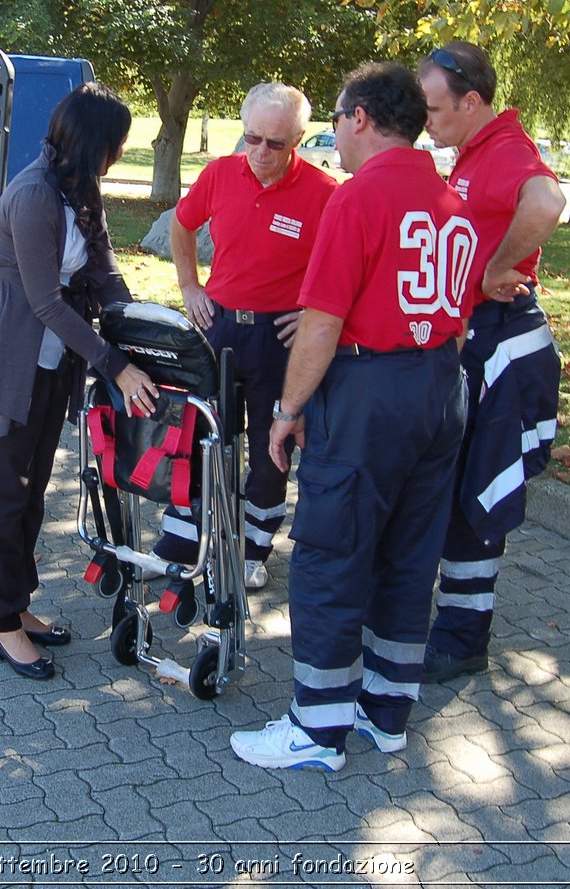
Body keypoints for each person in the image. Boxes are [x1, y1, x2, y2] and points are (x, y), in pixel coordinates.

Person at [229, 61, 477, 771]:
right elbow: (456, 320)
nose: (332, 134)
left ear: (360, 118)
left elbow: (320, 324)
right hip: (438, 386)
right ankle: (385, 710)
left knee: (332, 553)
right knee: (408, 554)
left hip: (371, 391)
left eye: (335, 120)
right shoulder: (449, 198)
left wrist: (288, 409)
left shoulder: (358, 198)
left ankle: (317, 728)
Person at [0, 84, 159, 681]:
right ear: (92, 143)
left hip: (46, 366)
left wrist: (141, 327)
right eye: (116, 145)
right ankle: (4, 625)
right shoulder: (36, 196)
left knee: (31, 491)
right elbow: (46, 301)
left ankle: (18, 605)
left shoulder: (79, 190)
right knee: (0, 499)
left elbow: (103, 270)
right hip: (2, 365)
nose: (119, 155)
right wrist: (115, 364)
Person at [415, 42, 565, 684]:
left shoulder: (505, 151)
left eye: (435, 108)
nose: (427, 120)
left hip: (499, 342)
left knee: (479, 492)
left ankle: (462, 637)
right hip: (476, 339)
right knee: (459, 489)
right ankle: (453, 624)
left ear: (471, 102)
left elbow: (545, 203)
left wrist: (498, 269)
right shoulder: (474, 151)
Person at [155, 82, 339, 589]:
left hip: (281, 341)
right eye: (251, 138)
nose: (260, 152)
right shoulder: (219, 174)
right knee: (193, 432)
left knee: (269, 446)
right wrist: (191, 285)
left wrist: (314, 312)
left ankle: (254, 544)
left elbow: (354, 266)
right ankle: (183, 534)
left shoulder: (327, 196)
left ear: (300, 138)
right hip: (218, 327)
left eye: (275, 144)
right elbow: (182, 225)